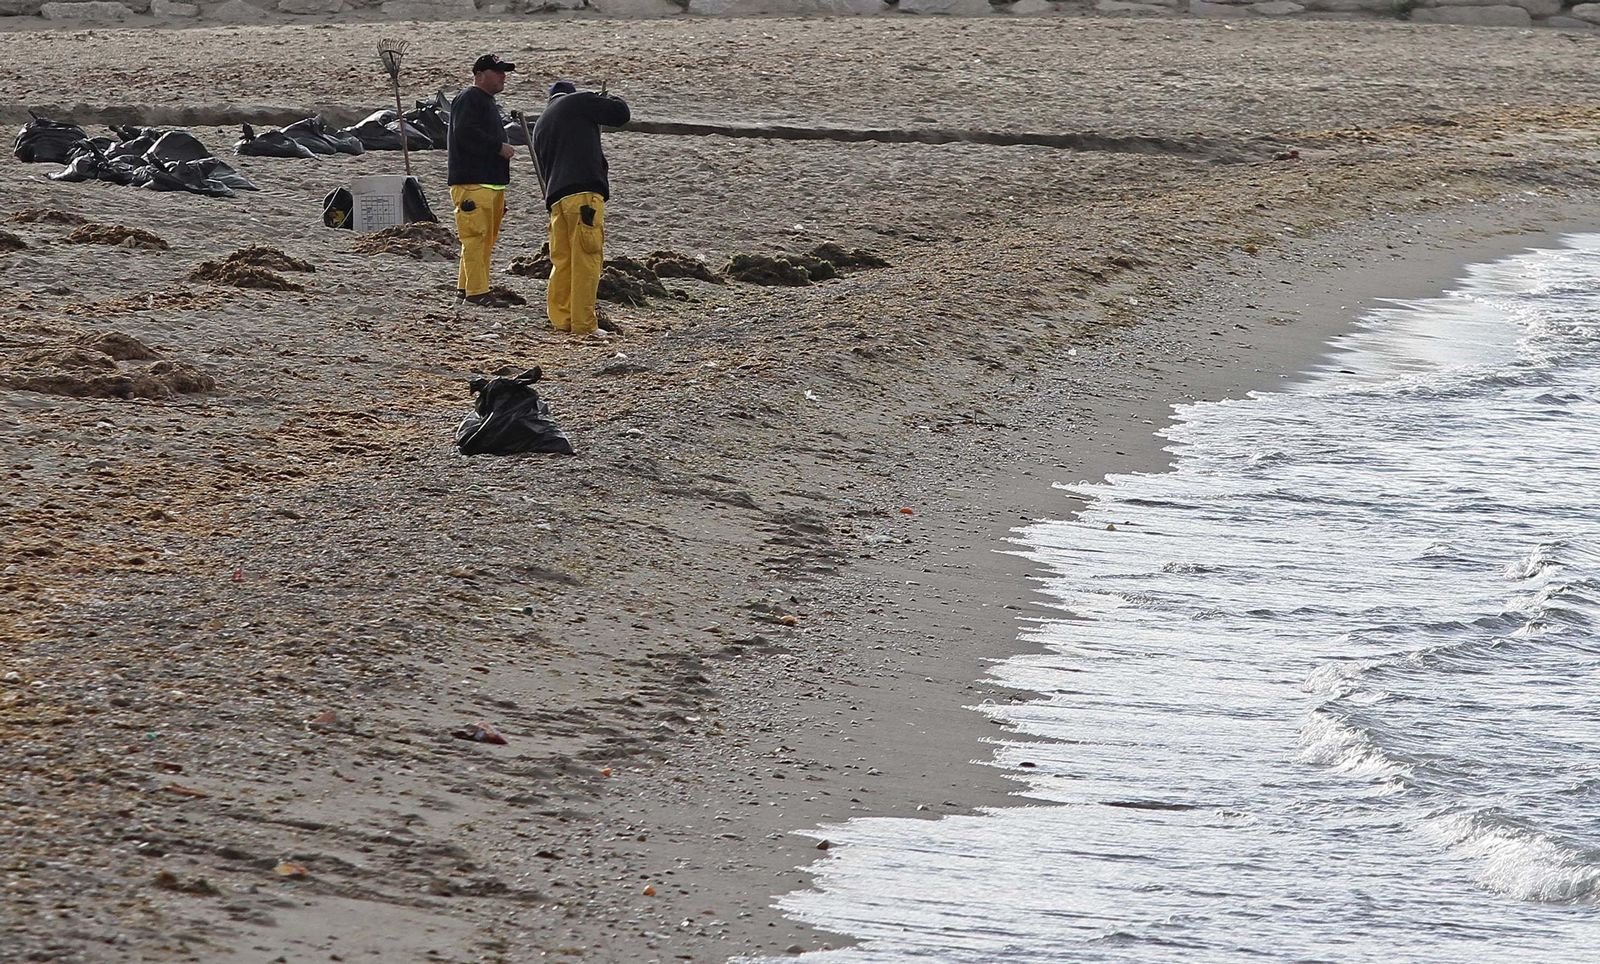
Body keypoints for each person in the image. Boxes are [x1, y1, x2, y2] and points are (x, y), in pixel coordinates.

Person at [533, 80, 631, 336]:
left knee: (562, 261)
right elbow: (621, 114)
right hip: (584, 193)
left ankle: (561, 319)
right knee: (586, 259)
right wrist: (609, 98)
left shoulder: (541, 123)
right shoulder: (577, 102)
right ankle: (584, 324)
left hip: (557, 199)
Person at [448, 54, 519, 308]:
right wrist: (497, 146)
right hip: (472, 183)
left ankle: (466, 287)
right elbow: (465, 133)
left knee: (481, 240)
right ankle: (477, 292)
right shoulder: (470, 97)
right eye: (497, 71)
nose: (502, 77)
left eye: (504, 72)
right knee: (475, 238)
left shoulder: (486, 101)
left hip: (490, 184)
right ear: (479, 75)